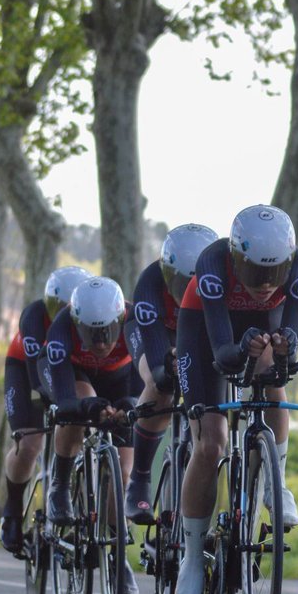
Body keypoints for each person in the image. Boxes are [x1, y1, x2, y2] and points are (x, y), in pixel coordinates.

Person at [171, 205, 298, 594]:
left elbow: (290, 346)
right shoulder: (213, 263)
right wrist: (241, 348)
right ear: (236, 260)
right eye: (254, 272)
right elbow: (222, 354)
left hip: (261, 327)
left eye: (275, 273)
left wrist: (285, 347)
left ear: (289, 263)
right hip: (204, 331)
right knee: (210, 441)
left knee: (274, 387)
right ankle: (192, 561)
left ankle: (276, 483)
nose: (265, 284)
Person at [43, 276, 143, 594]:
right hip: (78, 376)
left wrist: (131, 405)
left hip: (123, 379)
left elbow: (147, 375)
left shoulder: (135, 319)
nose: (100, 343)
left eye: (107, 332)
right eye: (92, 334)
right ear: (77, 323)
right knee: (75, 412)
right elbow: (63, 397)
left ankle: (117, 553)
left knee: (123, 473)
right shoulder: (61, 327)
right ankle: (60, 484)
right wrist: (86, 407)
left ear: (120, 320)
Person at [124, 224, 219, 524]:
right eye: (180, 283)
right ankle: (139, 478)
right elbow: (156, 359)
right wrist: (166, 363)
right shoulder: (150, 282)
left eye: (195, 284)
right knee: (159, 384)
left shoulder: (221, 276)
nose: (188, 291)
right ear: (167, 275)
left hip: (199, 331)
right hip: (156, 333)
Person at [0, 265, 91, 555]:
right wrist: (62, 404)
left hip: (70, 367)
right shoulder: (34, 317)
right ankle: (12, 510)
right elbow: (39, 378)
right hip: (28, 370)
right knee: (29, 443)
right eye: (57, 308)